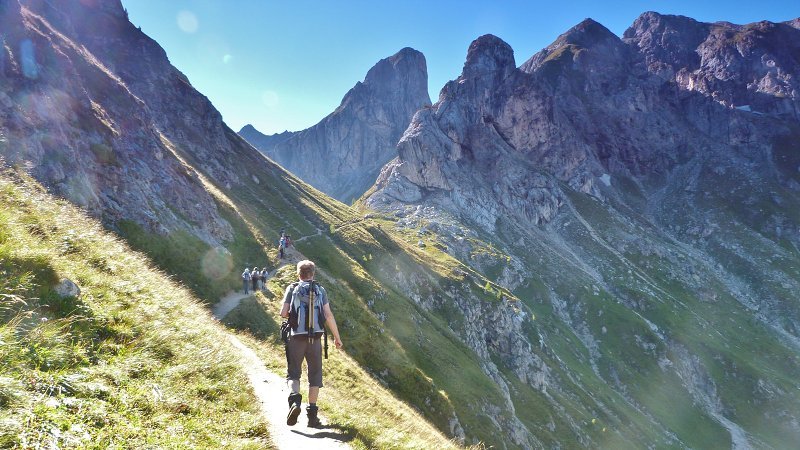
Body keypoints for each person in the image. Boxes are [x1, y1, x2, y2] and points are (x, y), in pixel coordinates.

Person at [280, 260, 342, 428]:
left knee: (293, 374)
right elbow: (328, 315)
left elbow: (283, 312)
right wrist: (337, 338)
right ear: (313, 274)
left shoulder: (292, 288)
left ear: (298, 274)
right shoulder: (320, 290)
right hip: (315, 339)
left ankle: (295, 400)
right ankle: (312, 418)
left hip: (296, 339)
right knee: (315, 376)